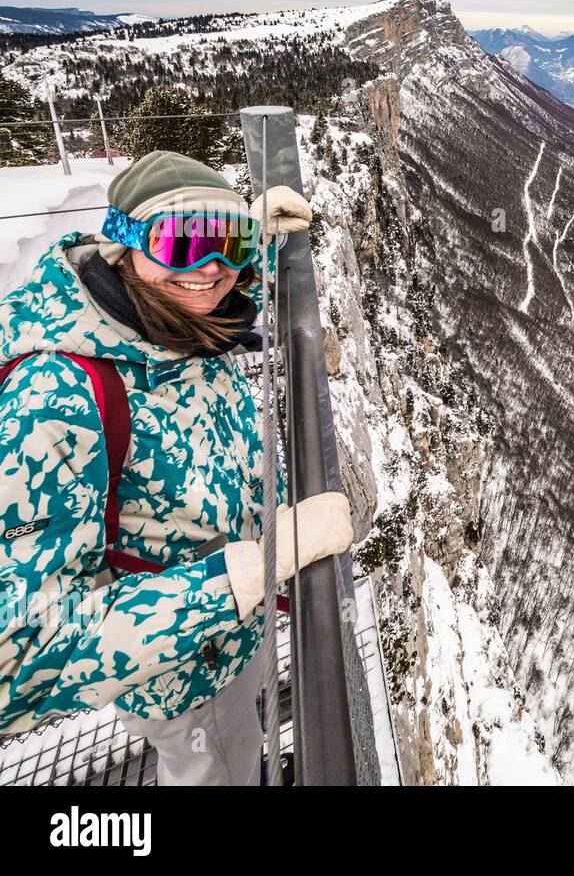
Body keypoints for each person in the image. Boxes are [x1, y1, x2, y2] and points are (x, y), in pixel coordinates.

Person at [0, 150, 354, 784]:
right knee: (218, 767)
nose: (212, 268)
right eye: (180, 242)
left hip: (231, 632)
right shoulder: (53, 400)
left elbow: (206, 280)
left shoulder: (159, 316)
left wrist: (256, 244)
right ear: (121, 246)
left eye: (229, 242)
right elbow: (22, 655)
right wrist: (253, 570)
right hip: (186, 675)